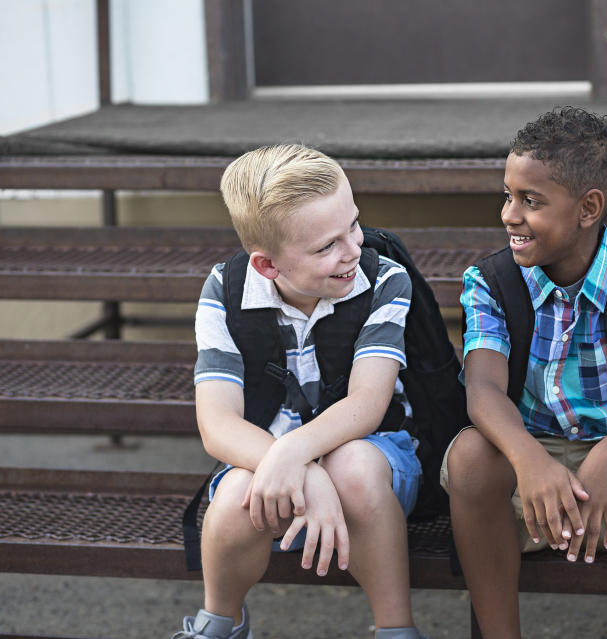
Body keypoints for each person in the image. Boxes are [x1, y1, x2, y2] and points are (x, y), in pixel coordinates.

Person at [442, 107, 607, 638]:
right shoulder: (488, 282)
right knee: (470, 455)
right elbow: (483, 389)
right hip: (521, 492)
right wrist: (529, 460)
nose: (509, 215)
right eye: (508, 195)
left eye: (530, 201)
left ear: (588, 209)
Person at [175, 144, 427, 639]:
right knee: (234, 498)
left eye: (353, 225)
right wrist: (302, 472)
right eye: (326, 246)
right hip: (265, 467)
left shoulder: (382, 280)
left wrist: (298, 456)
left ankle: (396, 629)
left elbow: (367, 406)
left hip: (375, 460)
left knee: (351, 468)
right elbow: (218, 424)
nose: (353, 249)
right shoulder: (224, 292)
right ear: (268, 267)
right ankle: (218, 624)